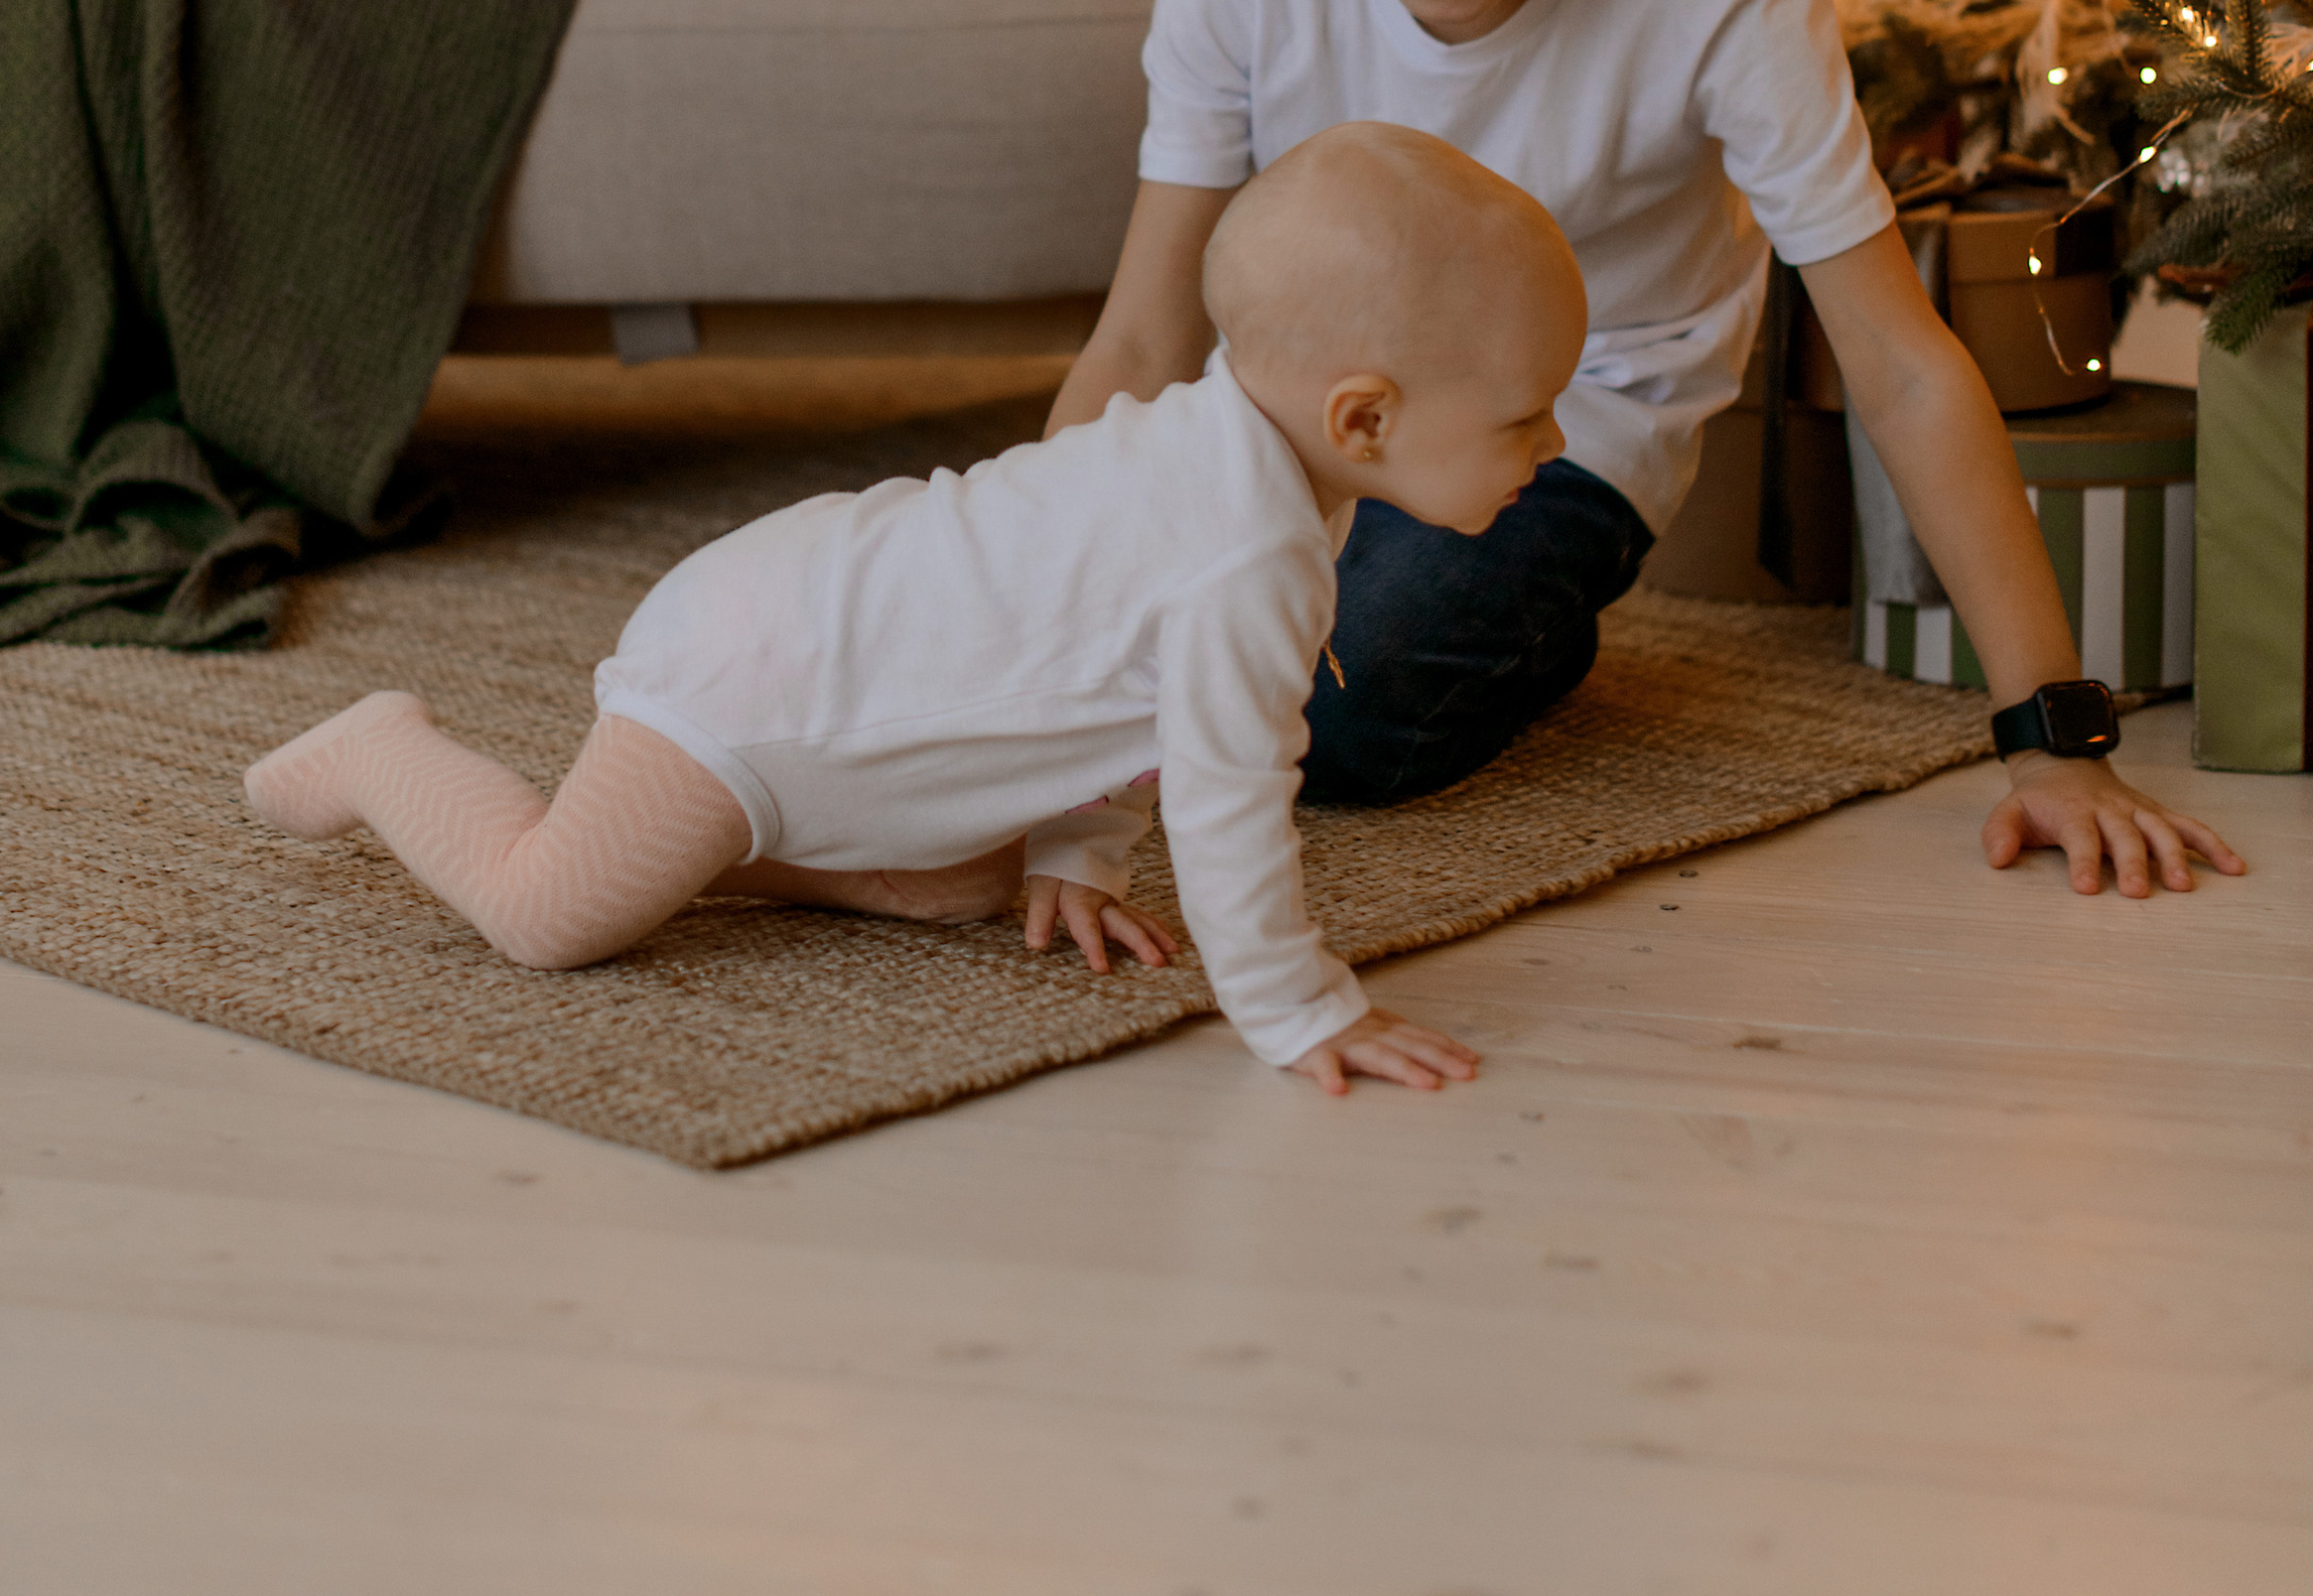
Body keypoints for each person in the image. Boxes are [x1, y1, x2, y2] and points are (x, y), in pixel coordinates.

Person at [1046, 0, 2243, 902]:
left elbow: (1898, 361)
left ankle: (1521, 620)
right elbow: (1141, 339)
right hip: (1280, 419)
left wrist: (2055, 740)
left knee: (1332, 716)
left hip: (1550, 441)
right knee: (1075, 654)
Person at [244, 124, 1589, 1091]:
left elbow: (1108, 687)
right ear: (1364, 415)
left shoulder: (1248, 466)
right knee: (550, 918)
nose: (1553, 438)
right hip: (760, 676)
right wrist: (1300, 1012)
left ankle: (711, 843)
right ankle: (380, 748)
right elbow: (1230, 803)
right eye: (1526, 413)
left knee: (961, 887)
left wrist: (1078, 857)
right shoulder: (1249, 556)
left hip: (825, 651)